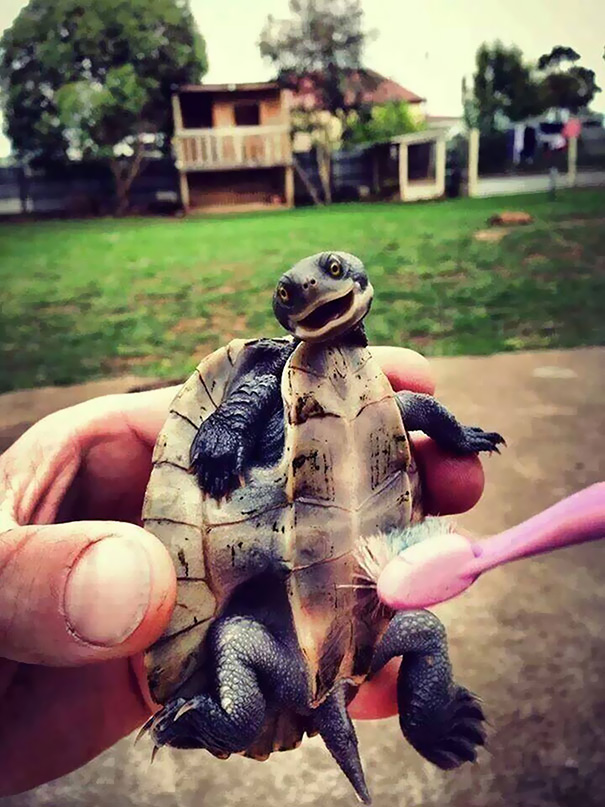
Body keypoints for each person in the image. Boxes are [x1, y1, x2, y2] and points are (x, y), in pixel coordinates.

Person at [0, 347, 486, 797]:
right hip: (286, 630)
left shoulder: (378, 402)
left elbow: (418, 411)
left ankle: (418, 719)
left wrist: (458, 437)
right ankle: (238, 719)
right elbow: (408, 411)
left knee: (249, 640)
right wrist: (232, 427)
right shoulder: (277, 385)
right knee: (250, 639)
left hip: (328, 638)